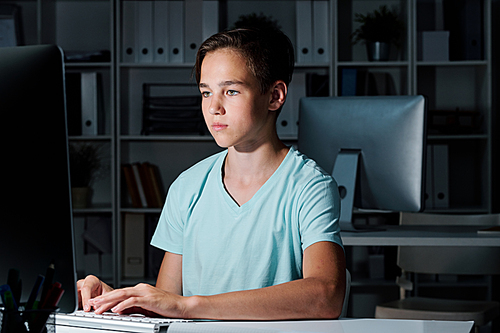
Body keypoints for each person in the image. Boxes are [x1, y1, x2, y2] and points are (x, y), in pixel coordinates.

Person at [78, 27, 346, 320]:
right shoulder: (188, 186)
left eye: (231, 91)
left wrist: (191, 306)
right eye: (206, 92)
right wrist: (118, 301)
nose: (214, 107)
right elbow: (169, 305)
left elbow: (326, 295)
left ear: (275, 96)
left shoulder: (310, 186)